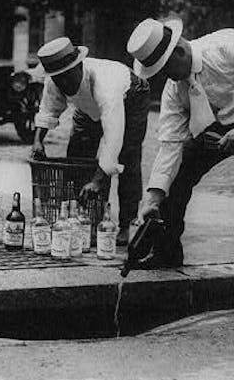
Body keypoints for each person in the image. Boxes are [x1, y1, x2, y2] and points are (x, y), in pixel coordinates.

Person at [127, 18, 234, 316]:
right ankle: (167, 251)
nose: (168, 79)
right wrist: (152, 197)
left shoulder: (229, 46)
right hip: (221, 124)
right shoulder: (175, 87)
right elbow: (170, 144)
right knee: (179, 175)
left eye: (166, 70)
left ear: (180, 51)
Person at [31, 36, 150, 245]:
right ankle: (79, 217)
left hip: (130, 95)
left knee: (127, 159)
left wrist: (97, 179)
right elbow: (48, 109)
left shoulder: (106, 86)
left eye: (68, 77)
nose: (65, 84)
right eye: (59, 79)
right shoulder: (55, 79)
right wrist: (38, 141)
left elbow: (114, 138)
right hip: (86, 107)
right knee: (76, 156)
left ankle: (126, 225)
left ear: (79, 66)